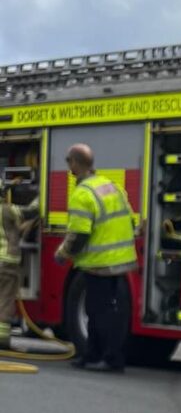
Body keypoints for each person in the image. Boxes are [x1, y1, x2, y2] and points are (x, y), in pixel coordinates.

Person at [55, 143, 138, 373]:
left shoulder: (83, 194)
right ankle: (91, 355)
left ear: (75, 163)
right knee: (102, 311)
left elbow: (79, 234)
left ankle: (110, 359)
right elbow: (131, 220)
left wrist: (63, 254)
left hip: (99, 263)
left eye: (68, 161)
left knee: (99, 313)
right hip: (119, 261)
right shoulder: (112, 186)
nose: (68, 165)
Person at [0, 181, 39, 350]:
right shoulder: (6, 211)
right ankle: (2, 341)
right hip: (6, 263)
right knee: (5, 301)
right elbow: (30, 212)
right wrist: (42, 195)